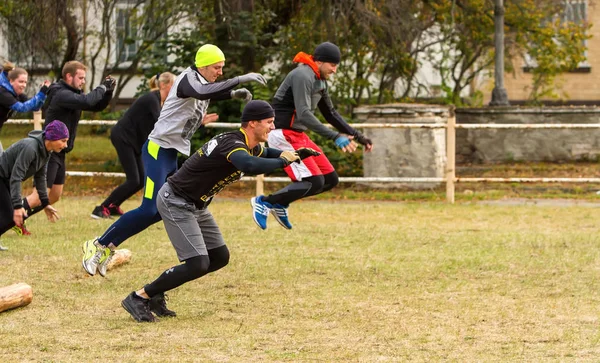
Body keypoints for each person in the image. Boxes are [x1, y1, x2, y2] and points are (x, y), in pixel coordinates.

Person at [120, 100, 319, 322]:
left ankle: (155, 293)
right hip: (176, 200)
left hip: (198, 204)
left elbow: (266, 153)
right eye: (269, 122)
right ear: (252, 123)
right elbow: (249, 165)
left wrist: (296, 153)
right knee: (197, 263)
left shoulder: (250, 144)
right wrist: (283, 161)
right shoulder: (232, 144)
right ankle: (140, 296)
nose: (273, 127)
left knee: (219, 257)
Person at [81, 44, 268, 277]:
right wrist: (240, 80)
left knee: (161, 210)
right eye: (216, 67)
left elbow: (208, 91)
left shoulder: (202, 83)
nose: (220, 72)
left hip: (170, 154)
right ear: (202, 66)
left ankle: (106, 246)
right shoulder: (188, 79)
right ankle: (98, 245)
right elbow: (200, 91)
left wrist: (230, 94)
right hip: (157, 150)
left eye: (222, 68)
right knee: (149, 208)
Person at [251, 41, 374, 230]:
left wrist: (358, 136)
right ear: (321, 61)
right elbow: (304, 113)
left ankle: (280, 203)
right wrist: (334, 136)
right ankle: (265, 202)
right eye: (333, 65)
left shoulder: (320, 80)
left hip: (298, 135)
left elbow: (330, 113)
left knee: (330, 179)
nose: (334, 70)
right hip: (282, 134)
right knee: (314, 181)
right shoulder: (302, 75)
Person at [17, 61, 115, 235]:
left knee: (54, 195)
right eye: (81, 77)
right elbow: (87, 100)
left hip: (61, 151)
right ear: (69, 76)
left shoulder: (73, 94)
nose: (83, 81)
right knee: (39, 195)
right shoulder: (61, 94)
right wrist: (101, 87)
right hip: (50, 150)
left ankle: (19, 218)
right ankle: (11, 216)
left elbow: (95, 105)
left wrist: (108, 91)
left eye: (85, 78)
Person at [91, 72, 176, 219]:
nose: (175, 89)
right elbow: (161, 122)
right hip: (123, 138)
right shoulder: (152, 98)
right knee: (133, 179)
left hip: (134, 142)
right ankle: (101, 208)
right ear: (163, 85)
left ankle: (113, 206)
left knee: (139, 180)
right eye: (173, 85)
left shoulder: (160, 102)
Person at [0, 121, 69, 250]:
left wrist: (45, 203)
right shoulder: (31, 148)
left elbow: (40, 177)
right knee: (12, 215)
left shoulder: (46, 151)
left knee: (14, 217)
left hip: (7, 180)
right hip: (2, 177)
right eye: (63, 140)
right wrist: (17, 205)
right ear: (52, 138)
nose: (65, 145)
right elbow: (16, 176)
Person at [0, 61, 51, 152]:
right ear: (11, 81)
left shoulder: (15, 93)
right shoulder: (3, 93)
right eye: (20, 82)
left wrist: (43, 93)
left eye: (25, 82)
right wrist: (41, 93)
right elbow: (22, 108)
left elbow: (34, 107)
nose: (23, 85)